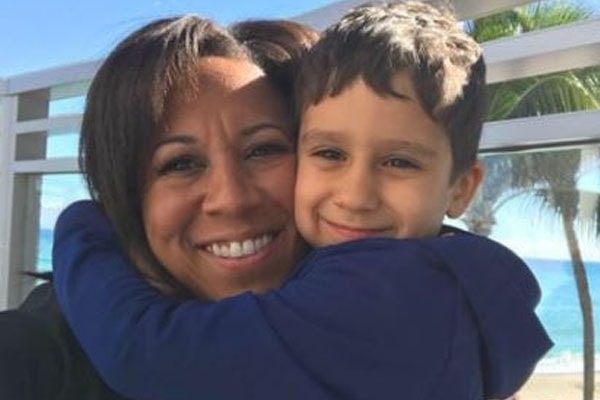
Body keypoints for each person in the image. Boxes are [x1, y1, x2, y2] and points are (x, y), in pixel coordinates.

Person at [51, 2, 553, 399]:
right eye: (329, 153)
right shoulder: (454, 278)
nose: (355, 196)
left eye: (400, 162)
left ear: (461, 188)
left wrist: (83, 226)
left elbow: (143, 350)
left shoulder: (380, 293)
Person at [0, 16, 317, 400]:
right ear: (125, 198)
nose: (232, 198)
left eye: (263, 149)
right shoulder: (34, 357)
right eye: (180, 164)